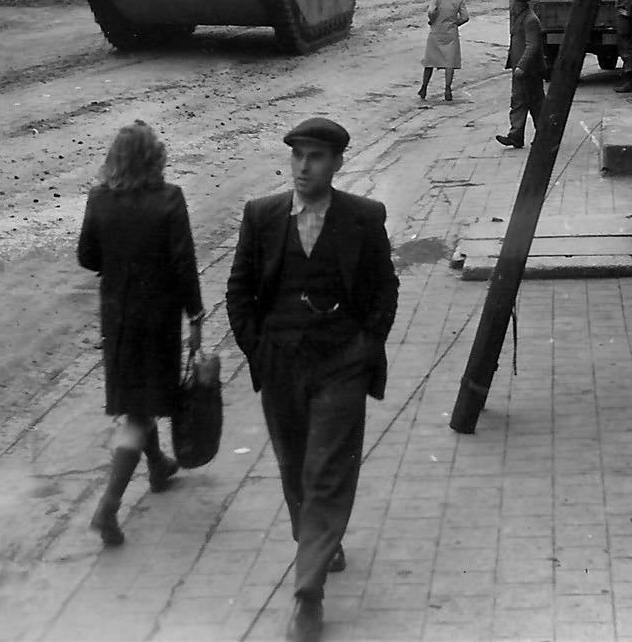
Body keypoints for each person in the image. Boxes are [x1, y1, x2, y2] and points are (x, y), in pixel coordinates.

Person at [225, 118, 399, 642]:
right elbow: (239, 291)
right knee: (295, 466)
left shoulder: (363, 217)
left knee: (327, 471)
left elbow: (384, 287)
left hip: (341, 363)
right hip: (281, 363)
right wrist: (257, 349)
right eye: (297, 156)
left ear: (337, 163)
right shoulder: (262, 216)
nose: (304, 167)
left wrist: (366, 346)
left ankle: (308, 594)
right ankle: (319, 541)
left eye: (316, 157)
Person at [77, 121, 205, 548]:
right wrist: (195, 315)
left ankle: (158, 466)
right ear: (155, 158)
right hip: (158, 317)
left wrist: (117, 261)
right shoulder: (169, 198)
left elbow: (87, 256)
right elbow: (183, 261)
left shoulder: (99, 199)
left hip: (118, 316)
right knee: (137, 413)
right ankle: (108, 507)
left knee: (137, 399)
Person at [497, 0, 547, 149]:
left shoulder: (530, 20)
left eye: (511, 0)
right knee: (520, 101)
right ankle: (516, 135)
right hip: (521, 69)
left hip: (529, 70)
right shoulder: (521, 17)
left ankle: (543, 135)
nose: (509, 4)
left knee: (535, 103)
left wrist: (522, 66)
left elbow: (533, 45)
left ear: (517, 2)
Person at [419, 0, 470, 102]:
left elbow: (431, 11)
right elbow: (465, 17)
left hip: (436, 32)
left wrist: (432, 20)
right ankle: (447, 89)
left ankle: (424, 87)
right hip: (451, 34)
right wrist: (455, 23)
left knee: (430, 61)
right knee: (449, 63)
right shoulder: (459, 0)